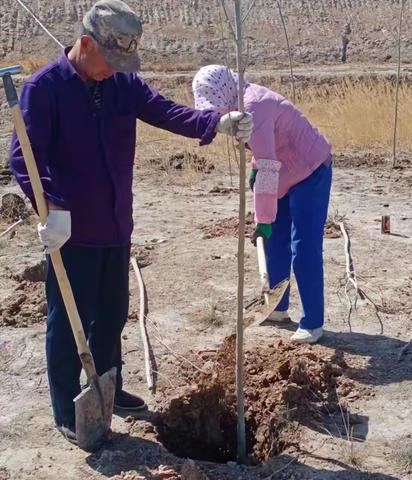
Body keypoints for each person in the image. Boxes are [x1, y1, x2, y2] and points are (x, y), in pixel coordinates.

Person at [8, 2, 252, 445]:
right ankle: (69, 409)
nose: (114, 70)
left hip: (116, 224)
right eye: (109, 60)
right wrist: (53, 205)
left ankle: (108, 388)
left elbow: (164, 111)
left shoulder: (122, 83)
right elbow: (23, 154)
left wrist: (216, 123)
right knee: (70, 321)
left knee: (112, 313)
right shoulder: (44, 88)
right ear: (85, 45)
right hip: (71, 230)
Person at [193, 65, 332, 344]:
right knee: (275, 242)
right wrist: (256, 170)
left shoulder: (252, 108)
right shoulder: (241, 105)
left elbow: (268, 165)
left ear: (224, 93)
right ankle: (278, 308)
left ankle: (313, 323)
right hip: (283, 169)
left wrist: (263, 220)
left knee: (303, 246)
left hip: (310, 168)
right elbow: (265, 154)